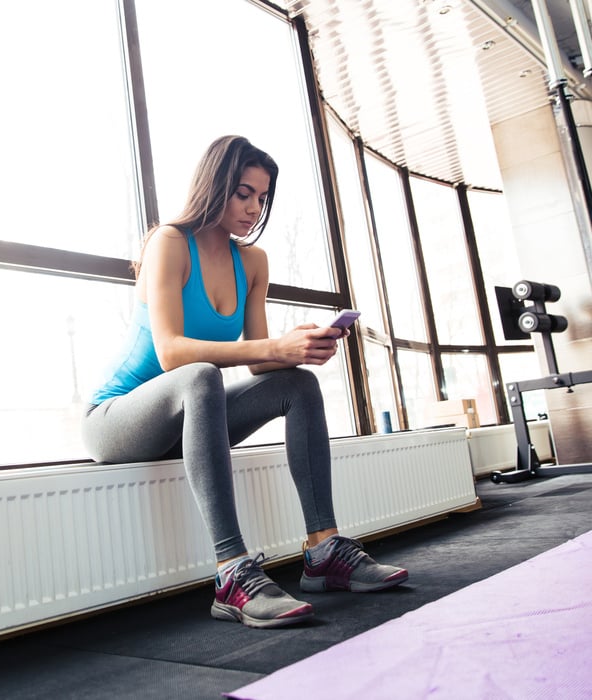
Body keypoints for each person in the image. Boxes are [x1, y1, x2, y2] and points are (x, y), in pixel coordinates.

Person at [81, 135, 407, 629]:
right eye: (243, 193)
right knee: (199, 376)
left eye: (262, 197)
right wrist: (270, 348)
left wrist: (296, 344)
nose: (254, 207)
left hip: (191, 419)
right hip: (118, 419)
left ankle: (323, 552)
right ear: (214, 186)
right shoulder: (168, 242)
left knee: (297, 386)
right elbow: (171, 352)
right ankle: (231, 572)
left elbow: (259, 362)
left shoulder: (252, 262)